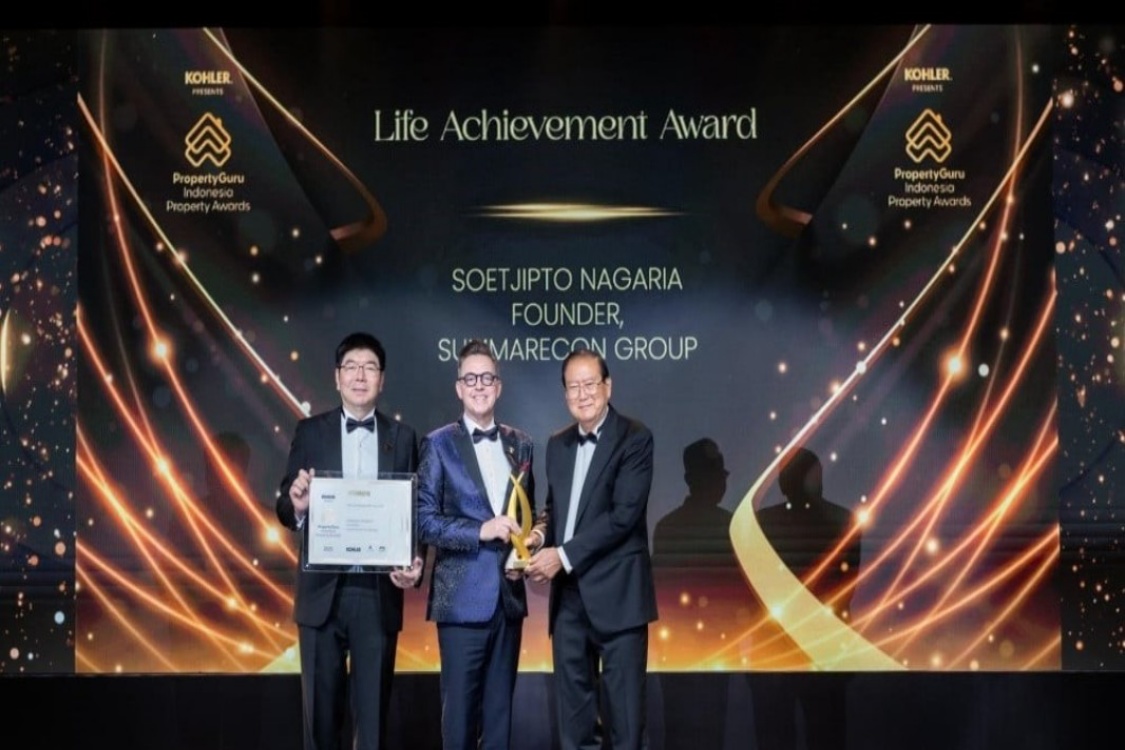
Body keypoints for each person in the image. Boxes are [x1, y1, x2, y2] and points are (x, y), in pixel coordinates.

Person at [276, 331, 423, 750]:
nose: (360, 376)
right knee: (320, 724)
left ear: (382, 380)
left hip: (376, 594)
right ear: (337, 377)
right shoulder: (310, 432)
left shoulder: (404, 437)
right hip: (322, 593)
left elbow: (415, 512)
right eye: (352, 367)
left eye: (370, 368)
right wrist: (298, 505)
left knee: (372, 724)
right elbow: (286, 506)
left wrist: (414, 559)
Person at [526, 348, 658, 750]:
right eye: (573, 386)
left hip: (619, 598)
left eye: (590, 384)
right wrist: (539, 536)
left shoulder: (635, 437)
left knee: (626, 728)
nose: (582, 394)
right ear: (565, 393)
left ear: (608, 386)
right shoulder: (558, 444)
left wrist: (561, 556)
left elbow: (623, 516)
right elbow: (556, 509)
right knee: (575, 728)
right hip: (569, 602)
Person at [416, 339, 543, 750]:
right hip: (460, 602)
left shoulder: (521, 443)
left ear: (499, 386)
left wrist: (528, 545)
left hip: (508, 600)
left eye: (487, 378)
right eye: (470, 378)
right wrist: (480, 531)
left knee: (499, 720)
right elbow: (425, 521)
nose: (479, 386)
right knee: (458, 721)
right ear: (458, 387)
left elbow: (529, 514)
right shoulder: (438, 444)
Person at [753, 446, 863, 750]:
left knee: (776, 738)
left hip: (775, 648)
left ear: (783, 484)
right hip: (823, 647)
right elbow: (846, 588)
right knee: (826, 736)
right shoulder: (843, 520)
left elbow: (755, 589)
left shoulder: (764, 523)